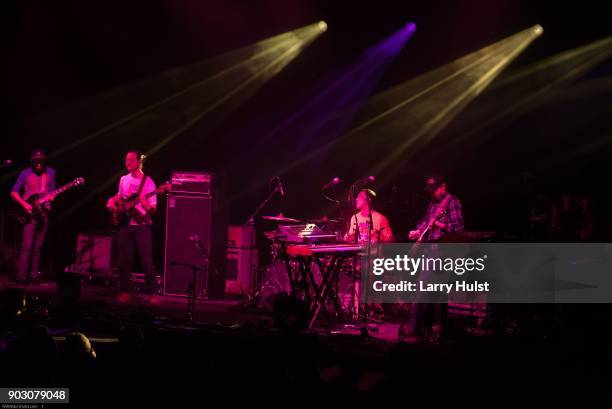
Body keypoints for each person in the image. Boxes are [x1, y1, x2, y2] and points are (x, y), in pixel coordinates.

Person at [405, 176, 464, 341]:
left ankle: (433, 330)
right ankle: (419, 329)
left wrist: (439, 225)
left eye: (434, 189)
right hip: (429, 249)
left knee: (435, 292)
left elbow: (458, 227)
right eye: (429, 190)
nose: (431, 193)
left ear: (443, 186)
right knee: (422, 289)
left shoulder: (452, 202)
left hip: (443, 251)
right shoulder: (432, 204)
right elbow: (426, 223)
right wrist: (418, 231)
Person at [106, 151, 159, 303]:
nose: (127, 163)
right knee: (124, 261)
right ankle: (124, 291)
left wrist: (146, 205)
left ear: (138, 162)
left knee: (146, 262)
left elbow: (153, 210)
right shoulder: (123, 179)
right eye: (126, 160)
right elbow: (121, 199)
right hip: (125, 225)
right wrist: (112, 201)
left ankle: (152, 293)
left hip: (141, 225)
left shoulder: (149, 182)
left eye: (130, 160)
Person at [10, 149, 56, 283]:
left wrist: (51, 197)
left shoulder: (51, 172)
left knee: (37, 248)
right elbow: (13, 192)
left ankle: (34, 276)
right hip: (29, 213)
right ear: (32, 162)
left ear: (44, 161)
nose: (39, 164)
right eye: (36, 162)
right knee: (27, 247)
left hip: (44, 212)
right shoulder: (25, 173)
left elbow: (52, 191)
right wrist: (25, 204)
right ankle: (21, 277)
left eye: (41, 161)